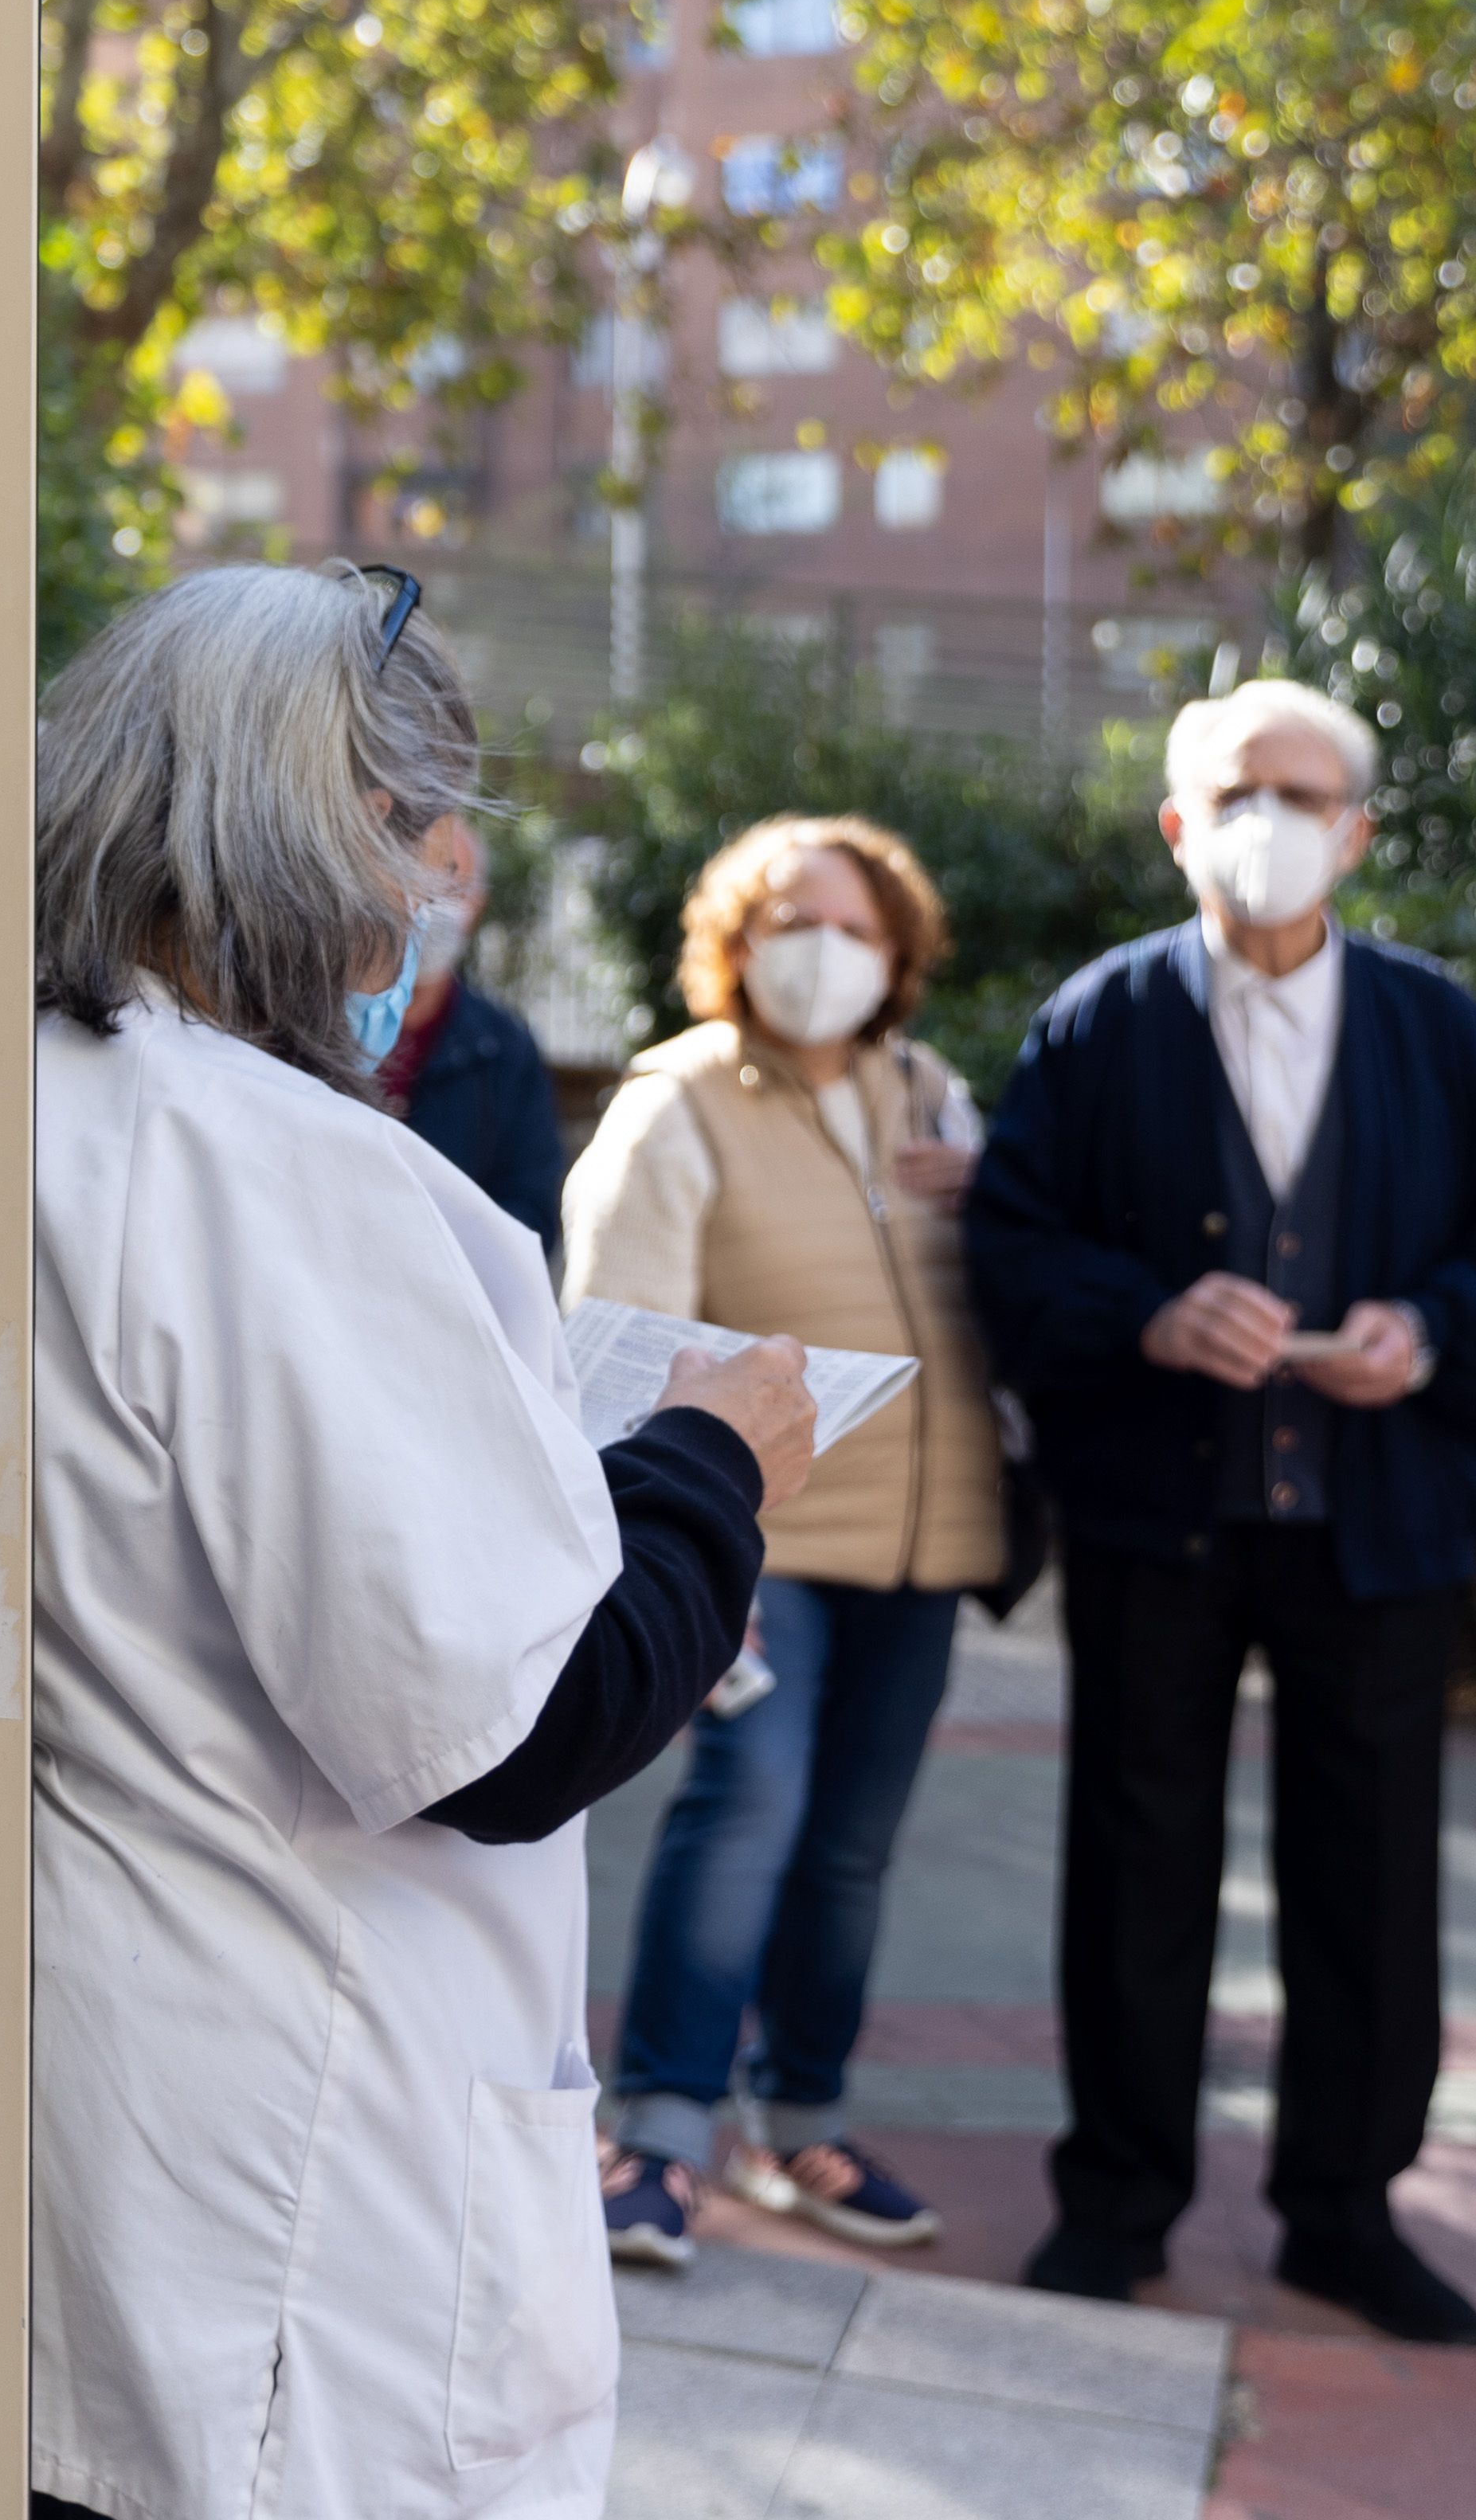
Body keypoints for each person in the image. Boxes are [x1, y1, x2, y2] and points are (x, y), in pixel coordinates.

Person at [0, 561, 815, 2519]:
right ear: (314, 830)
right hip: (243, 2216)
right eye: (425, 836)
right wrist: (707, 1462)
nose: (435, 894)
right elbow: (517, 1727)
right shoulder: (271, 1169)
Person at [964, 680, 1476, 2345]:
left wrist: (1428, 1329)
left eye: (1307, 794)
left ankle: (1346, 2210)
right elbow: (1012, 1252)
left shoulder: (1442, 1032)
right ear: (1178, 821)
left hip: (1375, 1521)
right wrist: (1148, 1316)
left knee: (1370, 1874)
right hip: (1161, 1512)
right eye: (1239, 789)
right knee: (1134, 1854)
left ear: (1359, 831)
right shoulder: (1096, 1023)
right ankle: (1118, 2197)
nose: (1272, 820)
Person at [563, 815, 1004, 2268]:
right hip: (763, 1537)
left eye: (856, 925)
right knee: (747, 1808)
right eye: (788, 921)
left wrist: (990, 1203)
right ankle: (664, 2135)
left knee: (852, 1847)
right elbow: (613, 1334)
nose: (825, 951)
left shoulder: (931, 1095)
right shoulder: (680, 1100)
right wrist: (671, 1535)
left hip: (923, 1543)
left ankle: (799, 2116)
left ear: (900, 952)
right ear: (734, 946)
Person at [383, 812, 571, 1261]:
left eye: (453, 887)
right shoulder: (323, 1027)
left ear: (478, 905)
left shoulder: (504, 1048)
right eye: (419, 884)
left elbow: (533, 1209)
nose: (431, 905)